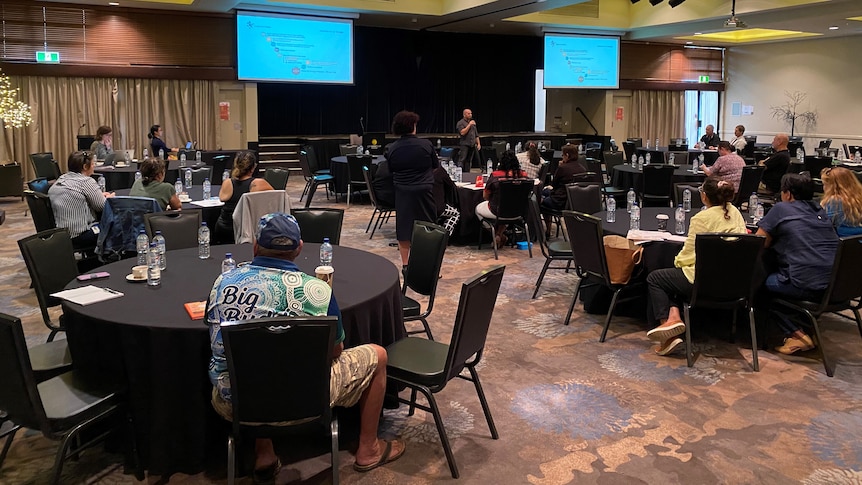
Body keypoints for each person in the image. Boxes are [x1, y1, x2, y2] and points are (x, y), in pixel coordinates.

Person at [206, 213, 404, 480]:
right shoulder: (317, 291)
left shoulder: (222, 282)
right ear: (299, 248)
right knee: (378, 355)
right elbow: (335, 350)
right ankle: (368, 449)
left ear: (254, 246)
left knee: (255, 364)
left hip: (235, 402)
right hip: (307, 399)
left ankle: (264, 452)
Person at [645, 178, 746, 356]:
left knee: (657, 278)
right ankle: (674, 318)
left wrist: (677, 261)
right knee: (674, 278)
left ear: (704, 196)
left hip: (704, 283)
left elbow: (688, 254)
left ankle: (666, 331)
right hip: (735, 283)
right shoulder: (735, 212)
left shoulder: (701, 218)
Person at [756, 173, 838, 355]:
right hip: (835, 285)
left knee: (760, 285)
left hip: (805, 283)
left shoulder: (782, 209)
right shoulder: (820, 210)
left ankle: (795, 334)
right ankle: (807, 327)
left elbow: (759, 243)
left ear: (788, 194)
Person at [385, 110, 439, 267]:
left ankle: (406, 265)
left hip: (403, 192)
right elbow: (436, 166)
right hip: (424, 191)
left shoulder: (392, 148)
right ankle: (429, 265)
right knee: (428, 228)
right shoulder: (426, 145)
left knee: (404, 229)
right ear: (413, 126)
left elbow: (390, 170)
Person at [47, 150, 115, 250]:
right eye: (93, 164)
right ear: (85, 167)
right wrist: (109, 198)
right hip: (81, 235)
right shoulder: (86, 181)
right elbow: (101, 206)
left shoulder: (61, 179)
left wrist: (99, 195)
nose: (94, 166)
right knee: (115, 226)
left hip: (61, 235)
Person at [214, 151, 274, 244]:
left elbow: (222, 198)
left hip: (224, 227)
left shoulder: (227, 182)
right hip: (244, 231)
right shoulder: (258, 183)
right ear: (253, 167)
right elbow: (276, 197)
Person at [475, 150, 529, 249]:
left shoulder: (496, 175)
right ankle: (500, 234)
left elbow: (485, 196)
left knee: (478, 209)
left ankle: (496, 235)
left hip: (497, 210)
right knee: (508, 210)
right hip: (519, 212)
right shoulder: (524, 175)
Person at [541, 144, 585, 212]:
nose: (562, 157)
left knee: (541, 198)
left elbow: (554, 185)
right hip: (575, 202)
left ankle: (545, 222)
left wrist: (559, 167)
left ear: (567, 155)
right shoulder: (582, 168)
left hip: (560, 202)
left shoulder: (562, 168)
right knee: (546, 192)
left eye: (562, 155)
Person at [820, 166, 862, 237]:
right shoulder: (859, 197)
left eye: (824, 184)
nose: (823, 187)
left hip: (842, 243)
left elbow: (824, 226)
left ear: (832, 186)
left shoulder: (833, 202)